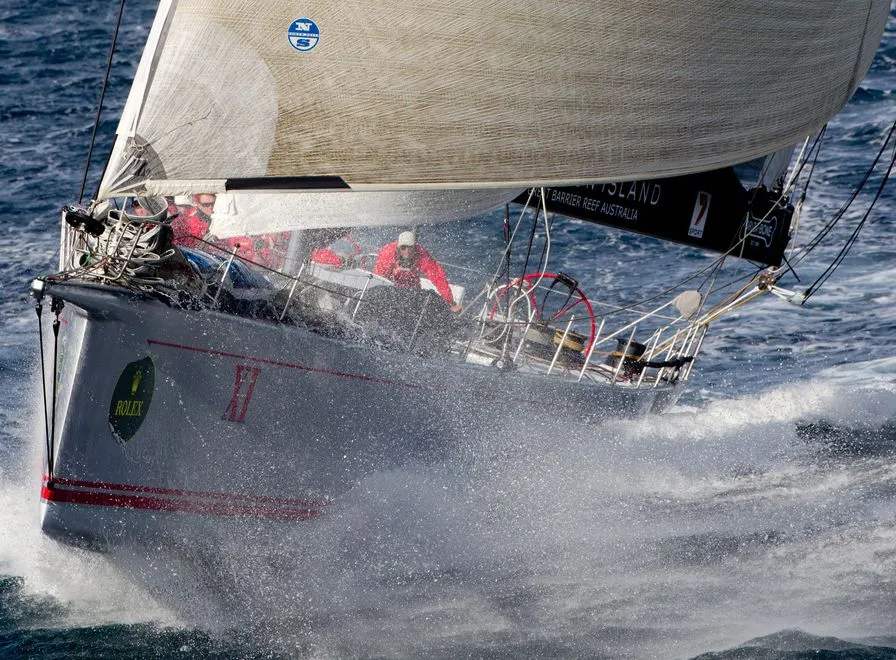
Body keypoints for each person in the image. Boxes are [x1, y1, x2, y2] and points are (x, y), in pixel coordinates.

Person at [373, 231, 462, 312]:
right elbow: (378, 278)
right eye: (403, 247)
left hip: (412, 288)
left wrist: (450, 302)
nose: (407, 251)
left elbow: (438, 277)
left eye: (410, 248)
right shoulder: (387, 253)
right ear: (398, 247)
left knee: (415, 307)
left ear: (415, 247)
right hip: (390, 286)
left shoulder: (422, 254)